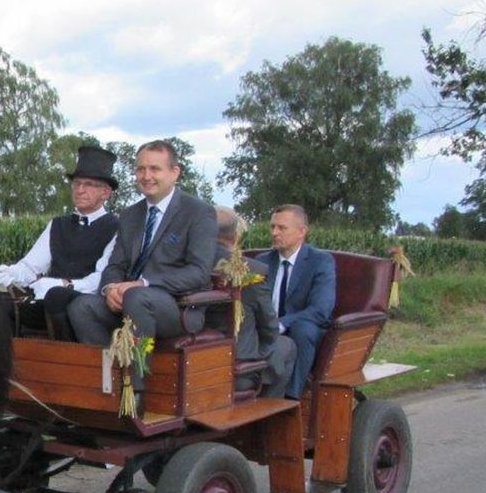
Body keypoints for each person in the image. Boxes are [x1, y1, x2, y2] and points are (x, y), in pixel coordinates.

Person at [68, 140, 217, 365]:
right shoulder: (130, 215)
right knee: (81, 306)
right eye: (140, 169)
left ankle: (135, 389)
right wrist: (110, 289)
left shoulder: (197, 212)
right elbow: (115, 264)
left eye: (154, 169)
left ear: (174, 172)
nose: (146, 176)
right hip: (129, 300)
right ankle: (110, 377)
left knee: (137, 297)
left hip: (178, 306)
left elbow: (199, 272)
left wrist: (143, 284)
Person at [0, 145, 120, 339]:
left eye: (88, 184)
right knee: (0, 304)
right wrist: (10, 272)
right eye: (76, 183)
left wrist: (64, 285)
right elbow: (31, 266)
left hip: (88, 305)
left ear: (106, 193)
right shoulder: (57, 225)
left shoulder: (117, 228)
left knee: (57, 296)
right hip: (49, 303)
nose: (80, 190)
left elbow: (102, 279)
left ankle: (66, 358)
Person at [209, 207, 296, 398]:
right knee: (287, 346)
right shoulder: (251, 271)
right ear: (235, 237)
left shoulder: (182, 265)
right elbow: (270, 328)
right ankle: (266, 418)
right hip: (236, 372)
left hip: (193, 365)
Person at [257, 204, 336, 399]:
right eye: (272, 227)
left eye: (282, 228)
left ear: (302, 232)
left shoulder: (321, 261)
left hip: (301, 328)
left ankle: (292, 395)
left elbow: (320, 310)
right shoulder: (262, 261)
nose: (274, 233)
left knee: (303, 329)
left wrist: (283, 323)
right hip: (267, 325)